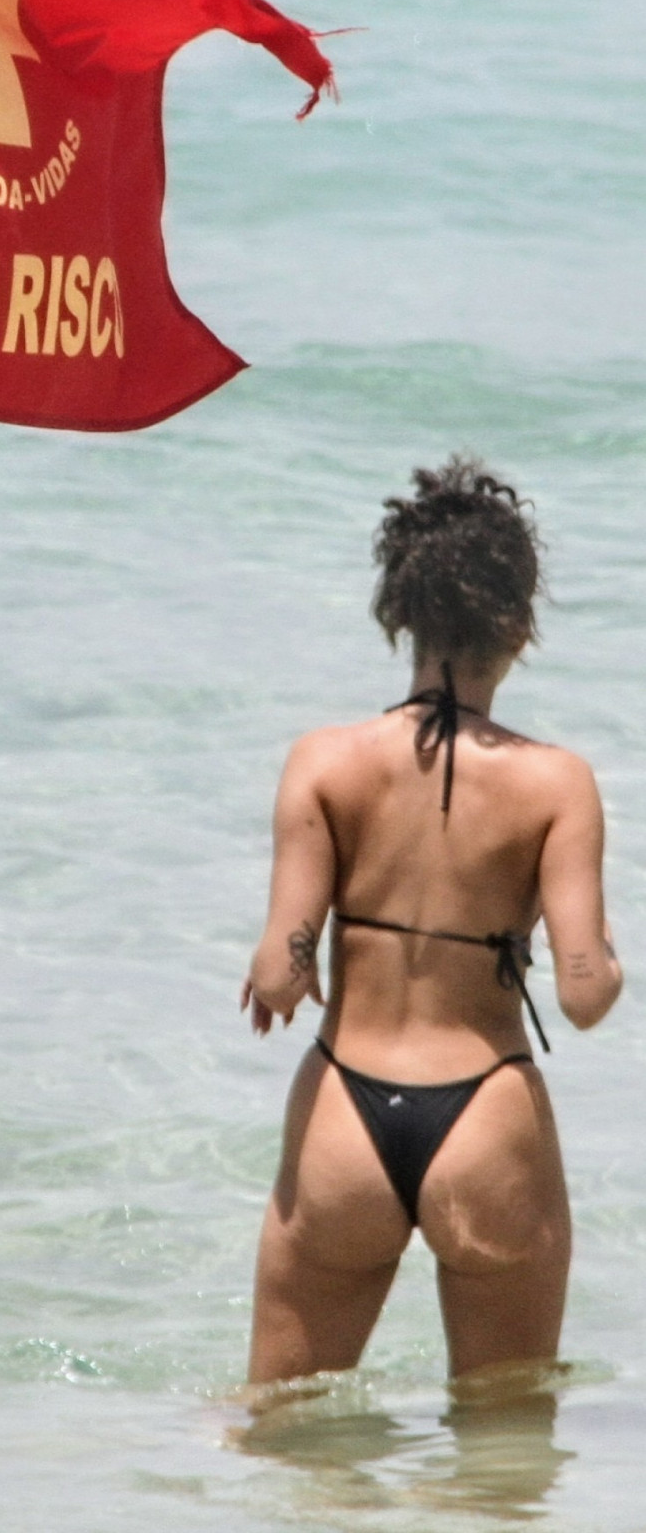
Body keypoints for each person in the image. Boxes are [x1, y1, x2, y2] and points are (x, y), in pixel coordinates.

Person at [242, 459, 620, 1386]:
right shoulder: (555, 783)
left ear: (400, 613)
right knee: (500, 1461)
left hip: (344, 1112)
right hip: (486, 1114)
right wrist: (593, 959)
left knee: (283, 1437)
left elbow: (280, 976)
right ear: (520, 626)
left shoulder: (322, 763)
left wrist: (287, 965)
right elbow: (583, 997)